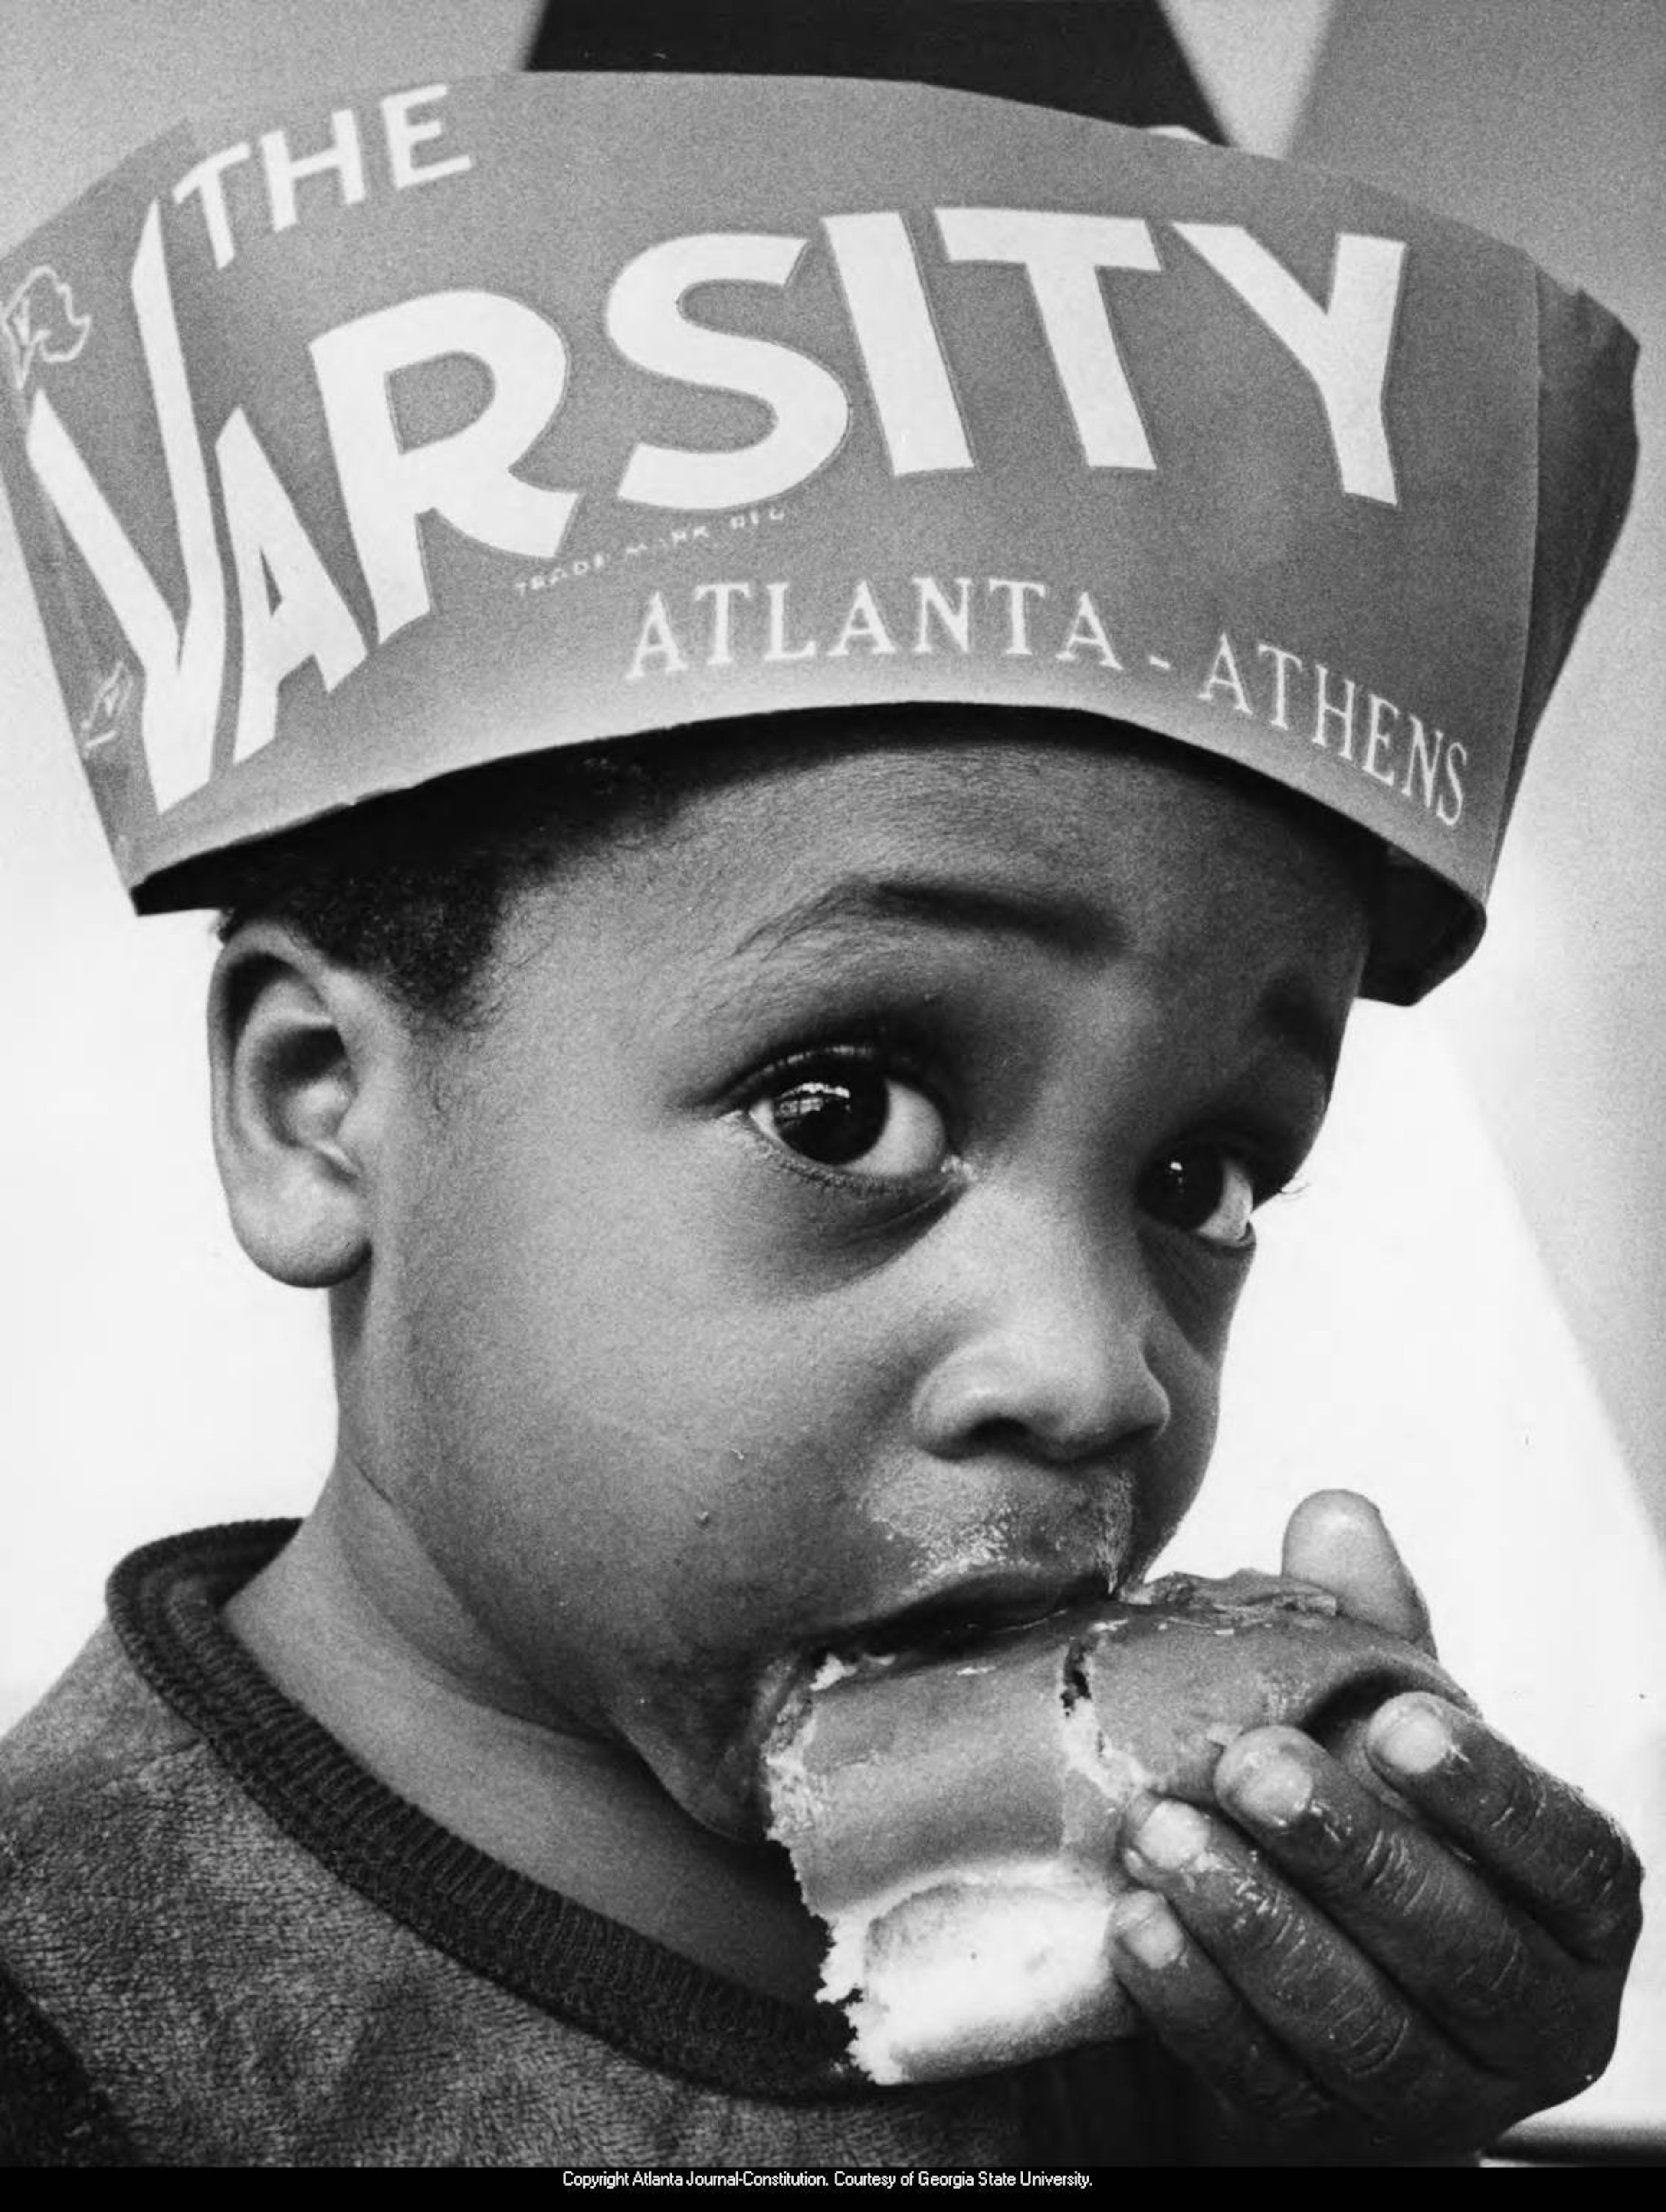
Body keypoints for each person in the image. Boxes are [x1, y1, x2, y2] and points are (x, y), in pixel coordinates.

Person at [0, 65, 1643, 2166]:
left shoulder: (1167, 1987)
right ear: (320, 1111)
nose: (1097, 1372)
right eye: (843, 1105)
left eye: (1197, 1174)